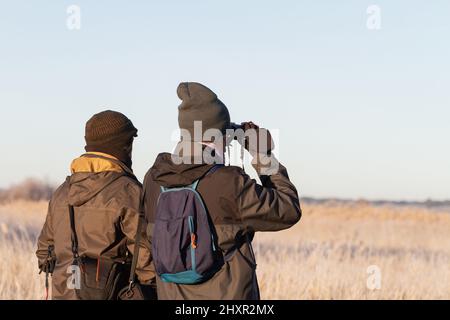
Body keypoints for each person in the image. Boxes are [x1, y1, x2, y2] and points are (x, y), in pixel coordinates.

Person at [143, 82, 301, 300]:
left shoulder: (154, 179)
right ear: (219, 135)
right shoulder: (228, 182)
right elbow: (288, 209)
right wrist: (263, 156)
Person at [36, 110, 155, 300]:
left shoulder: (62, 192)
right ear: (123, 146)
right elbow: (146, 259)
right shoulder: (128, 192)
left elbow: (45, 252)